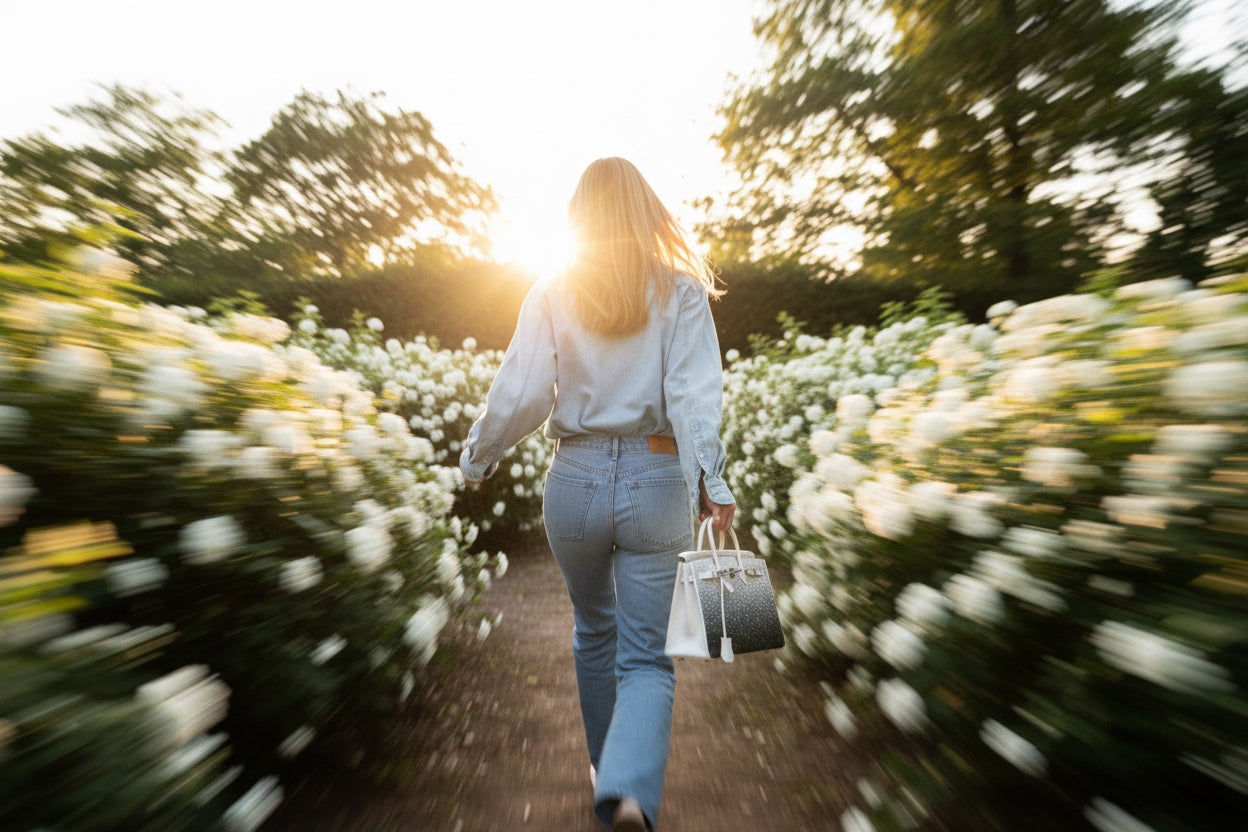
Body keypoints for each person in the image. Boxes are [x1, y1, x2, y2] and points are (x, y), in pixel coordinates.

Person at [459, 157, 736, 831]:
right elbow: (692, 397)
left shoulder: (551, 291)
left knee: (593, 630)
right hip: (657, 477)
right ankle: (629, 790)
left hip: (574, 482)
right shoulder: (681, 292)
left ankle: (603, 772)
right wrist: (714, 482)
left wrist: (480, 455)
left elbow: (523, 392)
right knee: (647, 657)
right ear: (647, 212)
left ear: (578, 220)